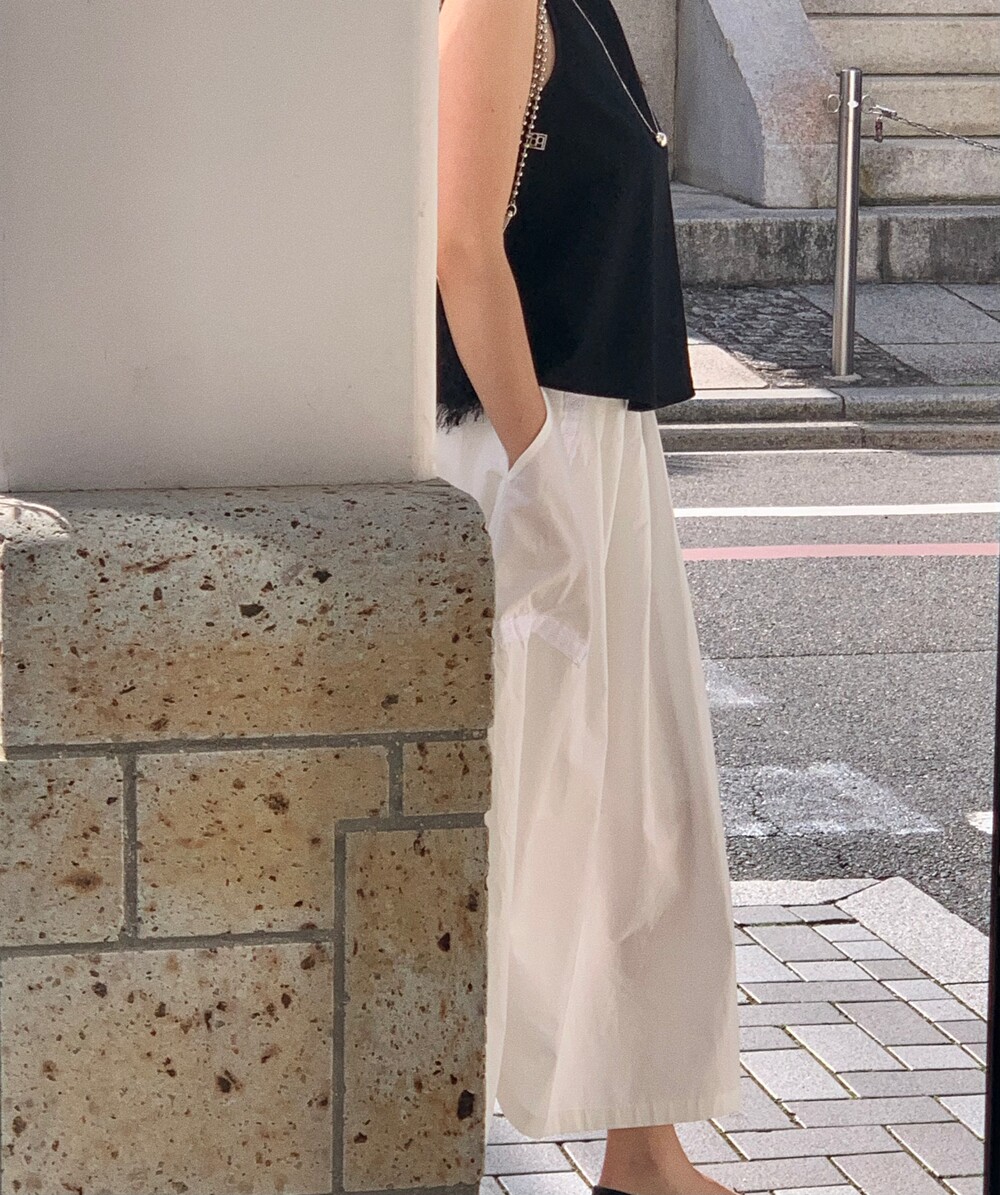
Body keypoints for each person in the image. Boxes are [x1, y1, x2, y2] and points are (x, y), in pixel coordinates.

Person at [434, 3, 743, 1194]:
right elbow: (460, 243)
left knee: (638, 798)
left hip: (591, 445)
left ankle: (645, 1148)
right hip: (527, 444)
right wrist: (537, 468)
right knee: (526, 799)